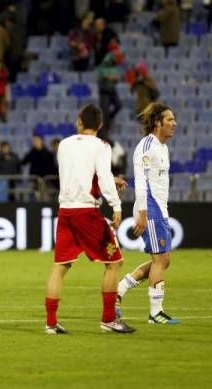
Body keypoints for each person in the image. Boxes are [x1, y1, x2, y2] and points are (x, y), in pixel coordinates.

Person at [44, 104, 136, 335]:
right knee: (114, 263)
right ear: (101, 125)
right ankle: (109, 319)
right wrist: (116, 205)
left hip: (65, 211)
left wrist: (110, 179)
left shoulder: (64, 144)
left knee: (60, 266)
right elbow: (101, 177)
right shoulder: (102, 146)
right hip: (86, 212)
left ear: (79, 122)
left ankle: (51, 323)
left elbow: (78, 172)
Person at [116, 102, 180, 325]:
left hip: (159, 208)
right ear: (157, 122)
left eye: (174, 119)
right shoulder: (146, 147)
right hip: (149, 207)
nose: (174, 123)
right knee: (160, 258)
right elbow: (141, 182)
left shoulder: (163, 147)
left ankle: (119, 290)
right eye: (170, 119)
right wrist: (143, 212)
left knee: (163, 260)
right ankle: (155, 313)